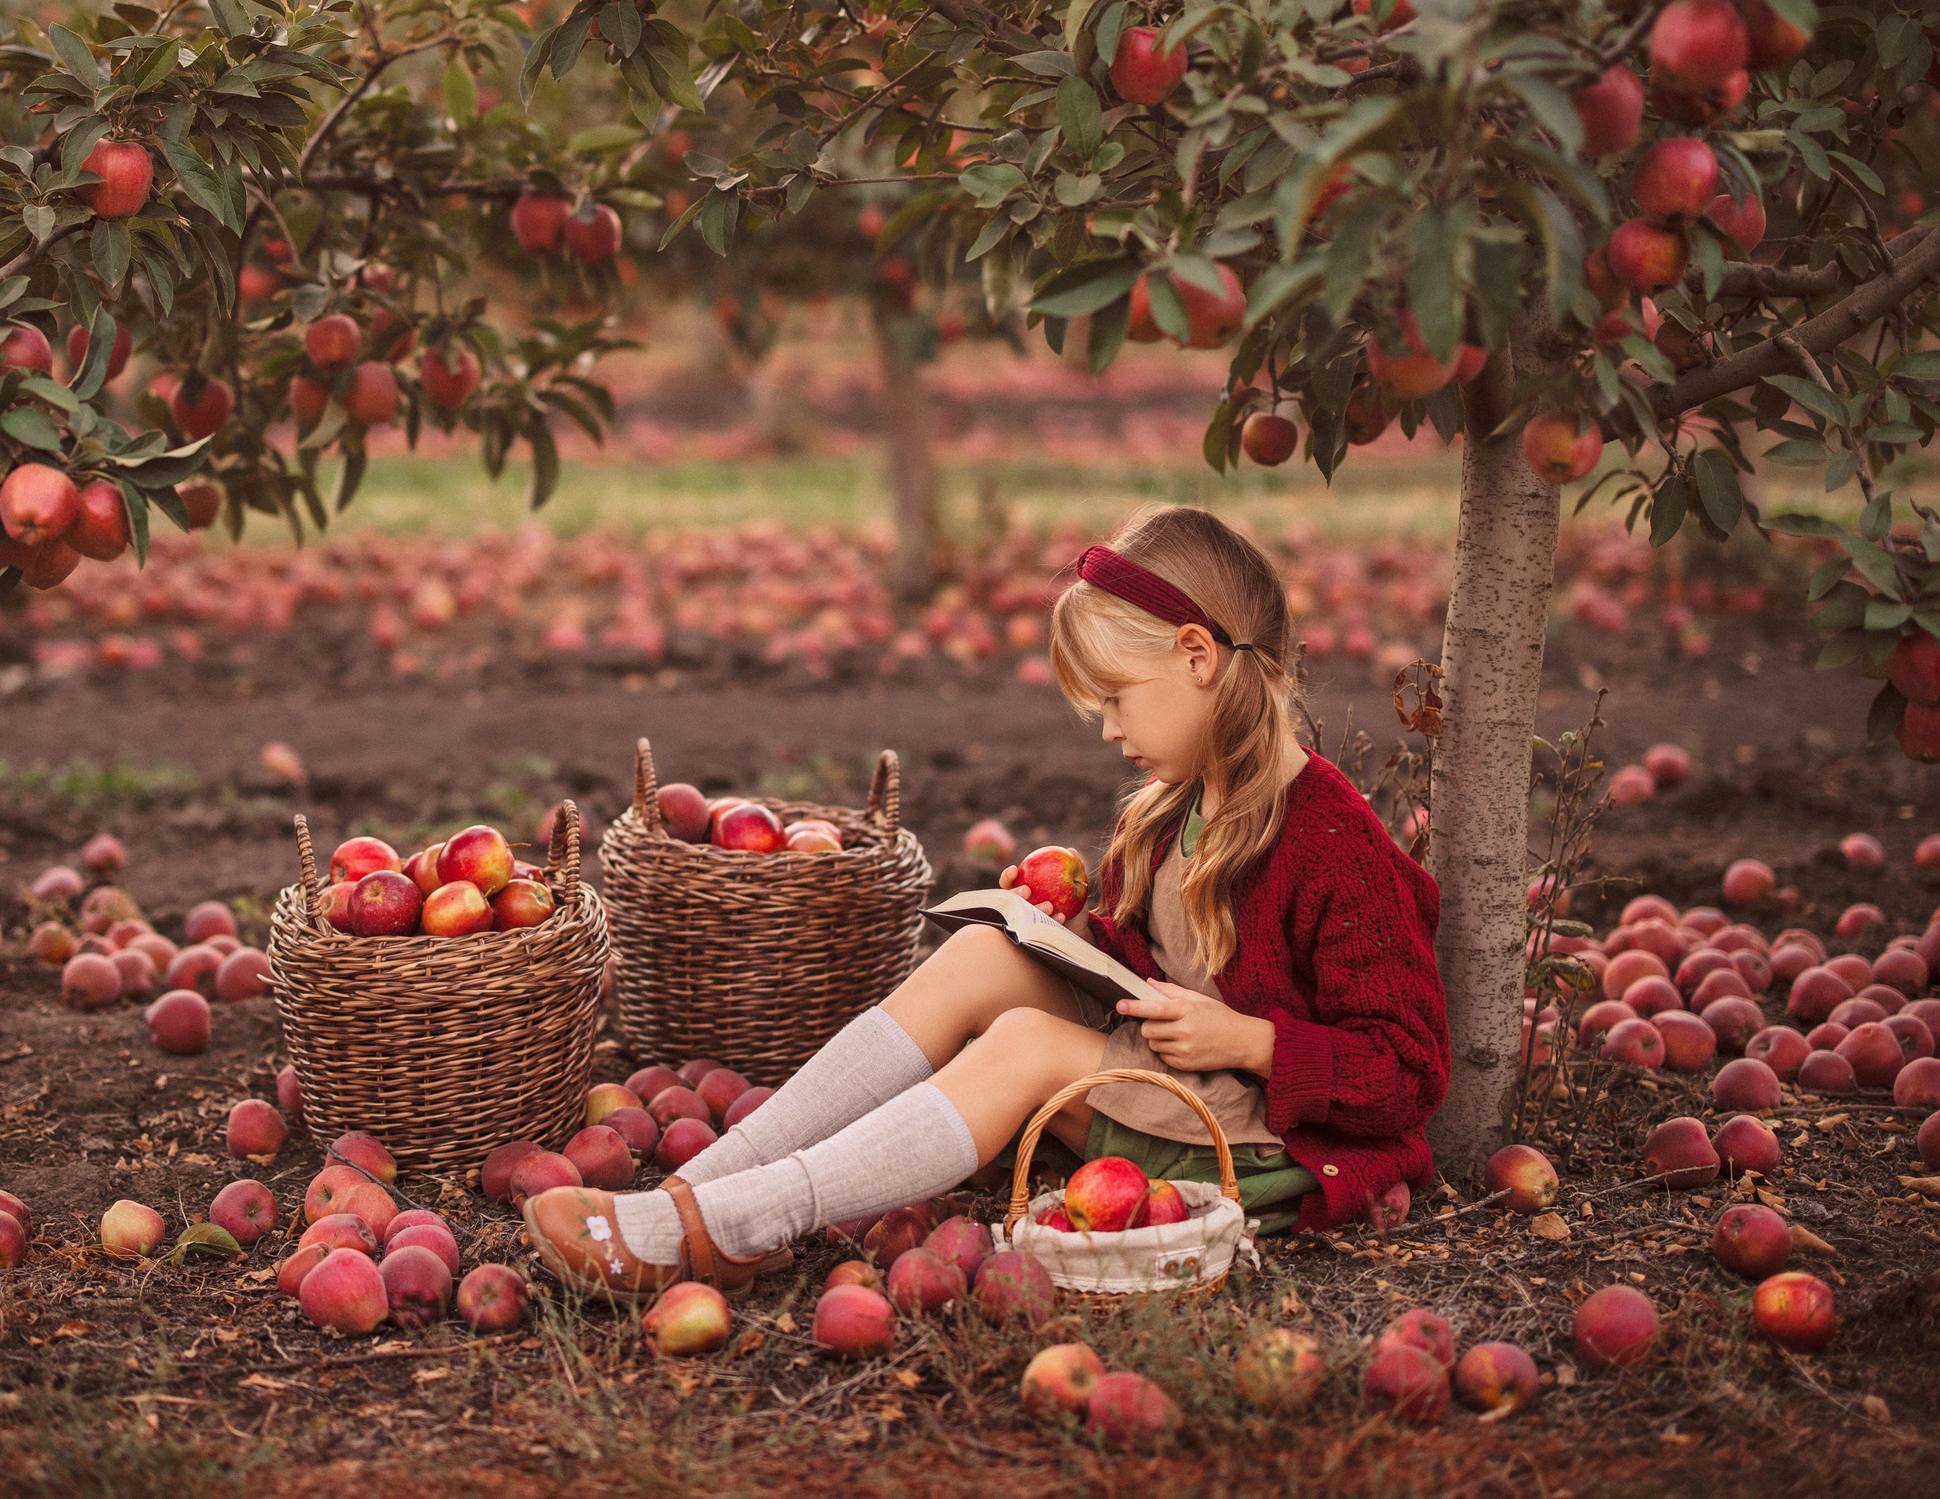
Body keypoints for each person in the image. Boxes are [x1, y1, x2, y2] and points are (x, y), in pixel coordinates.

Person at [522, 503, 1450, 1296]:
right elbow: (1146, 968)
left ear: (1199, 656)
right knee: (980, 955)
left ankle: (737, 1224)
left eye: (1120, 698)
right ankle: (707, 1187)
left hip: (1257, 1138)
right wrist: (1060, 937)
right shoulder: (1173, 809)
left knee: (1028, 1042)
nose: (1113, 729)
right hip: (1176, 1084)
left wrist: (1249, 1041)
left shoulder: (1332, 840)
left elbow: (1410, 1071)